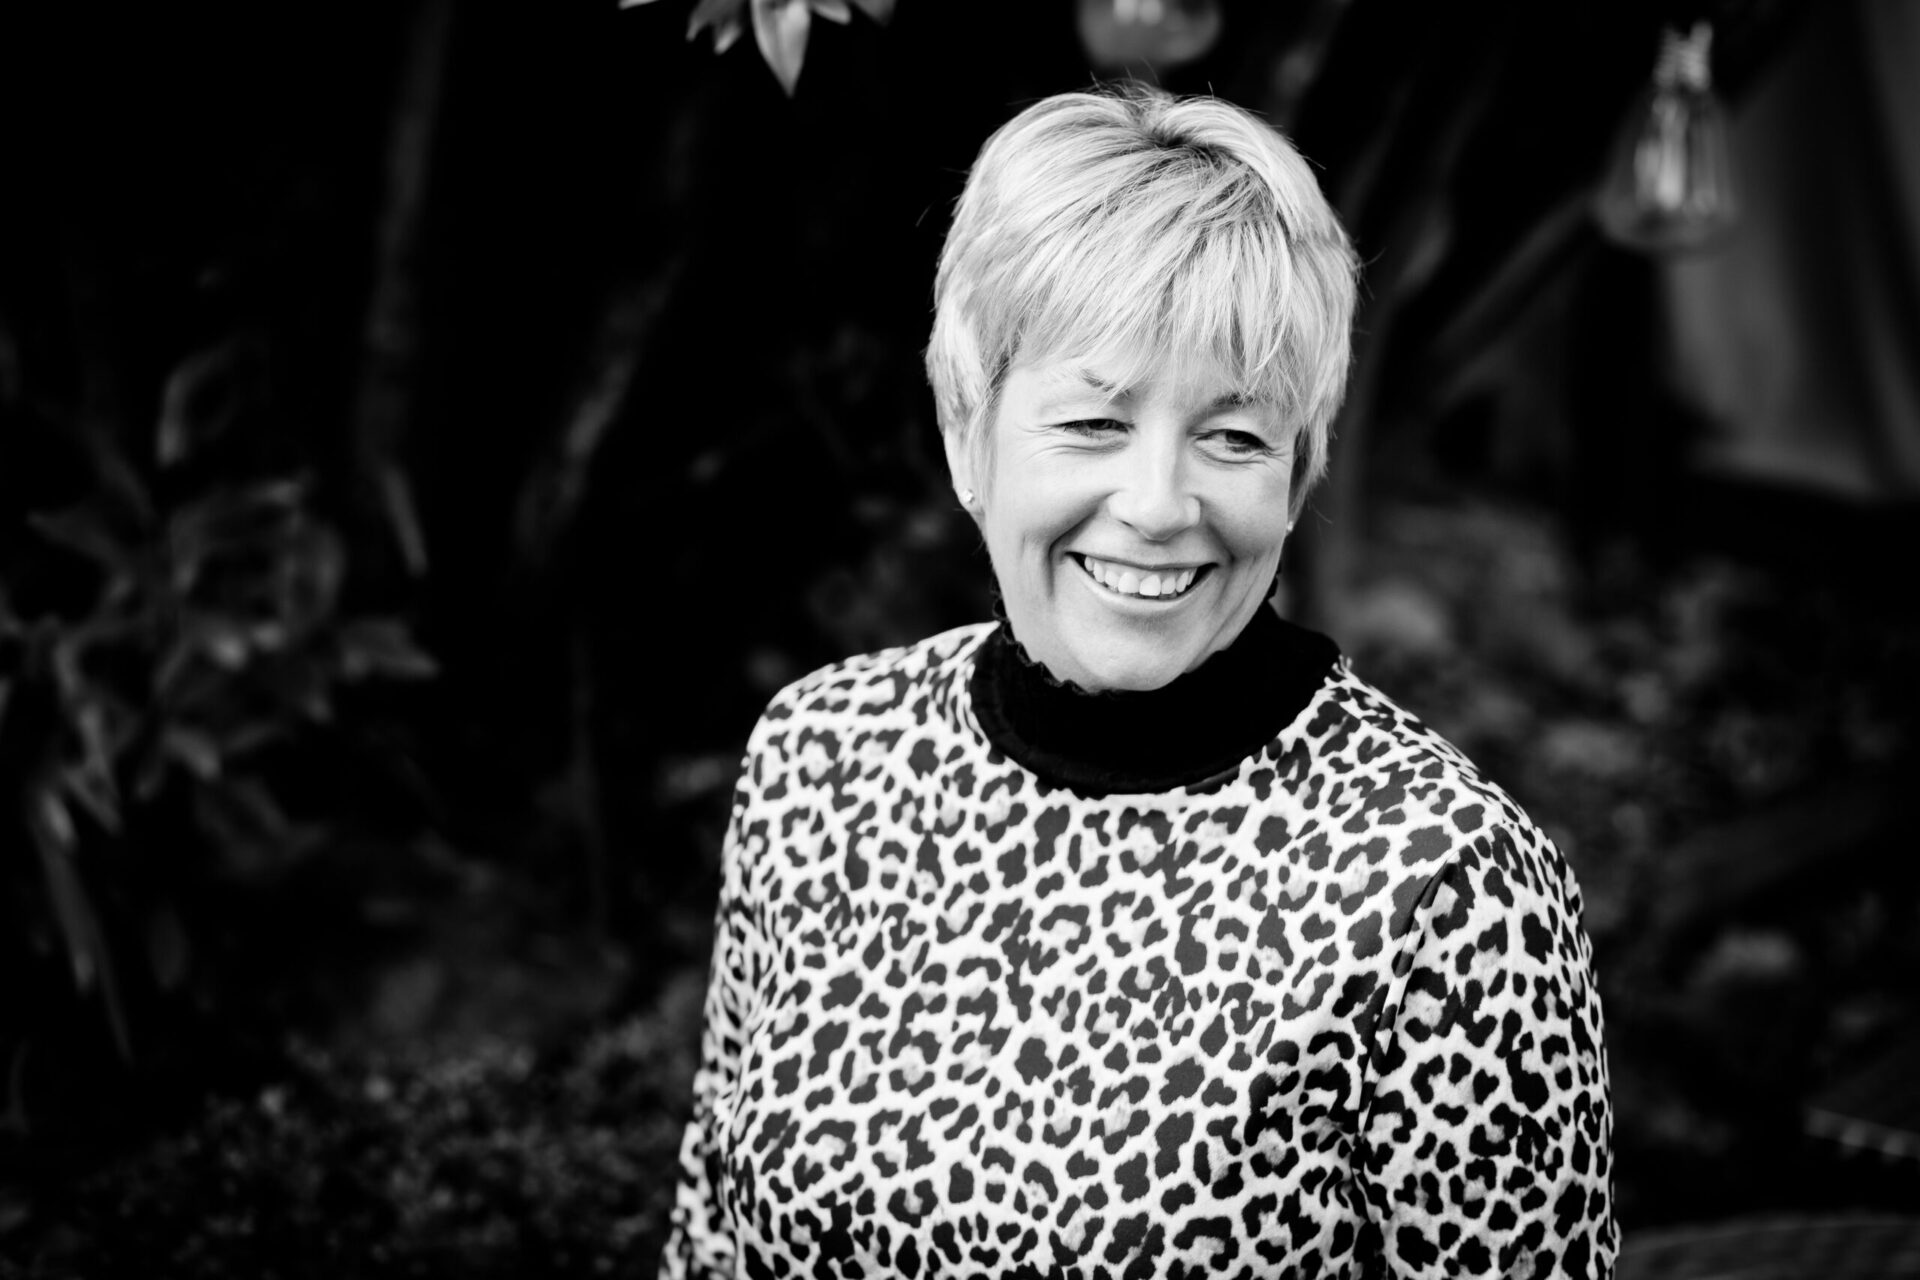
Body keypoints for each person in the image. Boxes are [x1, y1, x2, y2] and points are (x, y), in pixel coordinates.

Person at [660, 85, 1616, 1279]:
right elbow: (712, 1234)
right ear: (967, 436)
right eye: (1094, 424)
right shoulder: (820, 757)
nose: (1160, 505)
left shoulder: (1443, 881)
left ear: (1297, 476)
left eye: (1234, 436)